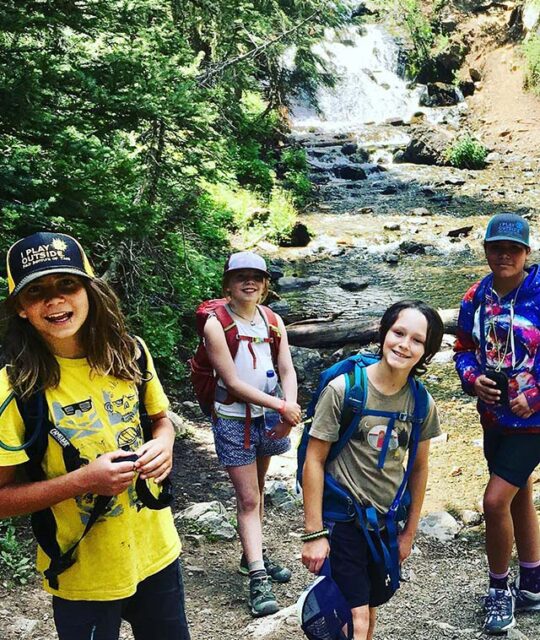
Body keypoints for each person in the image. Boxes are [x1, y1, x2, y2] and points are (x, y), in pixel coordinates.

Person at [0, 232, 190, 640]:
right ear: (20, 309)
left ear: (90, 290)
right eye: (37, 291)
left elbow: (161, 419)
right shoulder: (14, 388)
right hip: (81, 569)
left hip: (157, 552)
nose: (55, 300)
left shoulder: (130, 352)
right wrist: (83, 482)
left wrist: (165, 444)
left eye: (67, 284)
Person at [301, 299, 444, 640]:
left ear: (427, 351)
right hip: (343, 518)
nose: (404, 345)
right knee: (356, 619)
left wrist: (408, 533)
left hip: (384, 524)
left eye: (417, 340)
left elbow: (419, 468)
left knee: (369, 609)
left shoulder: (422, 403)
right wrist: (314, 533)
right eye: (398, 332)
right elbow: (314, 459)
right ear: (383, 333)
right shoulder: (344, 390)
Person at [455, 212, 540, 634]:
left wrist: (536, 390)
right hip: (492, 416)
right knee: (518, 493)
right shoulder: (475, 296)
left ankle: (498, 589)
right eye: (496, 248)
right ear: (486, 250)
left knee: (493, 501)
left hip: (535, 422)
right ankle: (534, 579)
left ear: (526, 252)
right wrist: (474, 379)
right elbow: (463, 349)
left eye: (513, 248)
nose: (504, 255)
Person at [203, 251, 301, 617]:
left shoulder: (273, 321)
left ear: (265, 285)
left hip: (268, 417)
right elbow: (231, 383)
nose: (250, 282)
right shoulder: (217, 325)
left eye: (256, 277)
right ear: (227, 285)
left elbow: (287, 370)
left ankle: (251, 555)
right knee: (247, 499)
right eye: (241, 276)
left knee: (257, 492)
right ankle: (258, 578)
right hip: (234, 419)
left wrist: (288, 407)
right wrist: (282, 408)